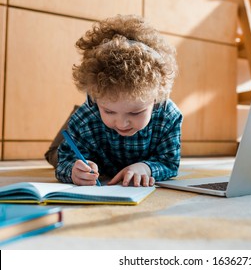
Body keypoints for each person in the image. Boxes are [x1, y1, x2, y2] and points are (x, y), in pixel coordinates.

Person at [45, 14, 182, 187]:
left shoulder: (169, 115)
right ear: (94, 99)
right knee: (54, 154)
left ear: (157, 100)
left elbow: (169, 163)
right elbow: (65, 161)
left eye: (135, 112)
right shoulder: (86, 117)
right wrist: (73, 170)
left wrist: (146, 168)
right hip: (90, 123)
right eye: (110, 111)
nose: (122, 123)